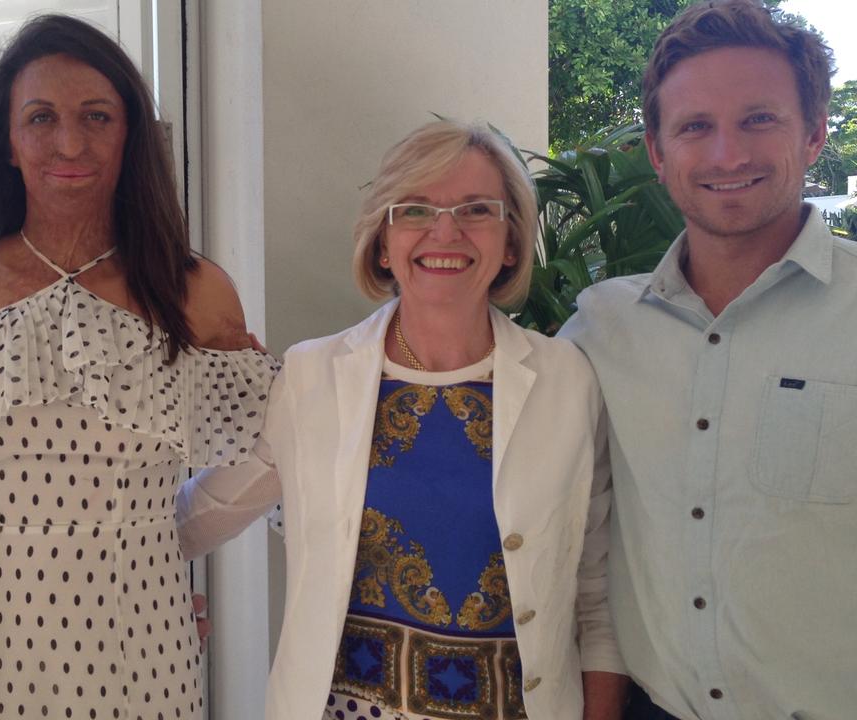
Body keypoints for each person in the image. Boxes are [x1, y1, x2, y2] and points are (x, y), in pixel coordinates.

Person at [176, 120, 628, 720]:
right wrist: (132, 580)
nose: (446, 230)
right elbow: (204, 512)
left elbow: (597, 591)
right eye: (414, 209)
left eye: (476, 209)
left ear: (512, 241)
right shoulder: (313, 376)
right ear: (383, 243)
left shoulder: (568, 380)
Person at [0, 14, 276, 720]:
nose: (70, 142)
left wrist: (156, 545)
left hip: (143, 631)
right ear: (7, 143)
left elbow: (266, 450)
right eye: (41, 117)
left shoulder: (196, 290)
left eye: (97, 116)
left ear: (129, 135)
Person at [558, 2, 857, 719]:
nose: (728, 155)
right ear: (658, 153)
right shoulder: (600, 330)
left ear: (814, 132)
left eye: (759, 119)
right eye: (695, 126)